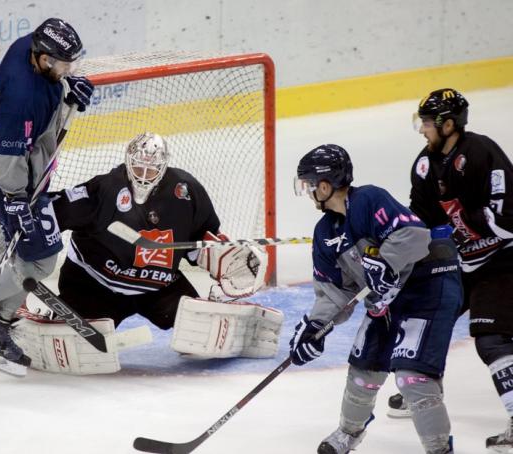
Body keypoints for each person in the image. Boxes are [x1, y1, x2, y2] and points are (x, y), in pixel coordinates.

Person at [41, 132, 282, 362]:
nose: (144, 174)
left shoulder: (185, 192)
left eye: (152, 168)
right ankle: (59, 318)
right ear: (127, 161)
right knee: (74, 341)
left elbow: (199, 239)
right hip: (95, 287)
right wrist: (29, 221)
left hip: (157, 288)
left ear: (164, 166)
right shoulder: (104, 190)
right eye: (138, 167)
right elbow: (55, 210)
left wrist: (221, 256)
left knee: (202, 330)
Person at [289, 144, 462, 454]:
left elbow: (415, 236)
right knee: (363, 372)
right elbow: (335, 291)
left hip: (427, 285)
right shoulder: (325, 231)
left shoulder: (368, 199)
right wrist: (316, 324)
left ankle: (439, 449)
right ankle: (348, 432)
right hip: (387, 300)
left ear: (325, 185)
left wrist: (386, 260)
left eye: (310, 184)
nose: (309, 192)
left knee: (413, 379)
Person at [0, 18, 94, 367]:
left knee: (32, 255)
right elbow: (9, 155)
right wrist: (13, 199)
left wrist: (68, 91)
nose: (65, 69)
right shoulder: (21, 95)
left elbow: (46, 108)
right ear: (41, 57)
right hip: (6, 177)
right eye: (61, 64)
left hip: (24, 174)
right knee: (41, 258)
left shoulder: (33, 49)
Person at [407, 88, 513, 452]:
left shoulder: (483, 153)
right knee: (427, 315)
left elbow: (509, 217)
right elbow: (418, 222)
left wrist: (463, 225)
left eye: (427, 123)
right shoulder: (426, 165)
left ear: (448, 125)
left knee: (492, 337)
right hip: (464, 262)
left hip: (505, 259)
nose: (422, 130)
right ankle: (423, 394)